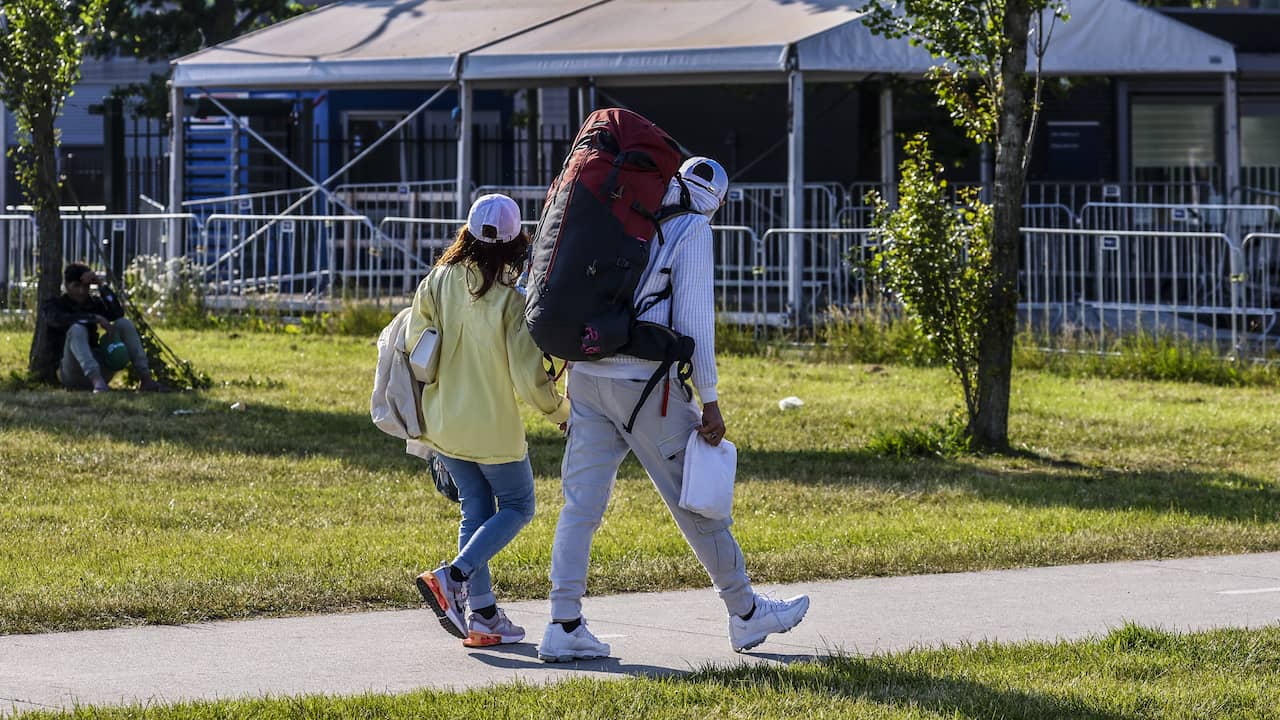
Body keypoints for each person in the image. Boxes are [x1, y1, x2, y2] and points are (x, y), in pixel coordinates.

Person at [537, 157, 810, 662]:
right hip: (645, 385)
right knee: (696, 499)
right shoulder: (692, 229)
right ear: (718, 203)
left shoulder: (624, 213)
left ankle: (562, 622)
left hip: (588, 375)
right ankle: (746, 613)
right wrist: (711, 399)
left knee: (580, 506)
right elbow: (694, 324)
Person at [411, 194, 570, 648]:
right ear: (518, 239)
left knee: (475, 511)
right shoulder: (512, 297)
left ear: (467, 230)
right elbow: (529, 377)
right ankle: (453, 575)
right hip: (493, 430)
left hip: (442, 421)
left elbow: (414, 337)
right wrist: (561, 412)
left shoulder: (439, 278)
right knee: (519, 506)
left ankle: (482, 616)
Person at [40, 263, 158, 393]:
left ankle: (145, 379)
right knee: (77, 329)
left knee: (124, 323)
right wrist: (94, 318)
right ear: (67, 286)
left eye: (85, 286)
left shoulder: (93, 303)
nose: (81, 291)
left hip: (99, 365)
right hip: (71, 370)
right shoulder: (55, 305)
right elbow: (58, 320)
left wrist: (101, 285)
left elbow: (117, 313)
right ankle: (97, 381)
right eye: (76, 286)